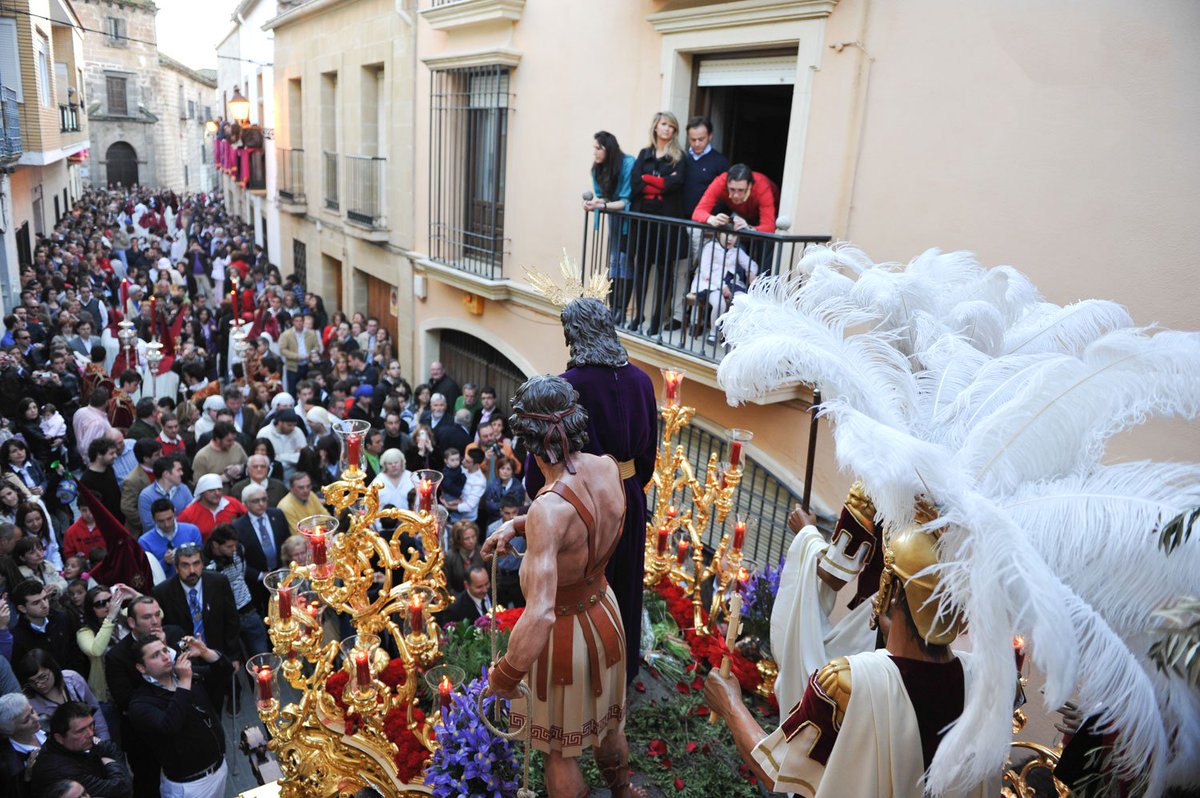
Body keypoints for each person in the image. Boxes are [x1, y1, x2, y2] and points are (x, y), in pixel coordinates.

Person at [704, 523, 992, 797]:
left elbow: (774, 770)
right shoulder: (982, 682)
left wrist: (730, 704)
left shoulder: (848, 683)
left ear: (890, 590)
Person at [483, 374, 632, 797]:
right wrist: (519, 523)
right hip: (606, 613)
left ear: (529, 441)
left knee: (557, 751)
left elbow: (541, 613)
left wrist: (503, 677)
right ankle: (622, 792)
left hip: (565, 639)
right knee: (609, 724)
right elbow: (579, 519)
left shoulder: (547, 511)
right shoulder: (607, 465)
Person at [522, 295, 658, 685]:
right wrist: (628, 482)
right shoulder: (643, 381)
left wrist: (543, 494)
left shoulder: (566, 387)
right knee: (626, 584)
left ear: (575, 334)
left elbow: (546, 450)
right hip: (630, 495)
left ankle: (582, 676)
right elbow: (648, 458)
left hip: (577, 503)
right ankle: (621, 669)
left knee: (584, 590)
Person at [127, 635, 232, 798]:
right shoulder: (140, 704)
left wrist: (205, 652)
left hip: (218, 768)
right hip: (189, 787)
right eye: (155, 655)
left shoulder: (184, 676)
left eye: (164, 650)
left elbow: (226, 670)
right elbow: (170, 725)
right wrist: (185, 681)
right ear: (141, 667)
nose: (165, 656)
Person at [629, 111, 690, 335]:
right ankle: (638, 316)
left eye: (671, 126)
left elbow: (675, 183)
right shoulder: (644, 153)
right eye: (664, 125)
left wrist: (650, 180)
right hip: (644, 220)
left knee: (664, 269)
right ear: (656, 127)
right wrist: (660, 182)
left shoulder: (679, 156)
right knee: (642, 268)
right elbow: (635, 182)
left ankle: (656, 319)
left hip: (666, 222)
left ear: (674, 131)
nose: (667, 129)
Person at [152, 543, 240, 667]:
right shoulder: (162, 592)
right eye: (185, 565)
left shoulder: (219, 582)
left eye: (196, 564)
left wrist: (233, 656)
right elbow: (166, 630)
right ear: (176, 568)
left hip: (218, 655)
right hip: (186, 661)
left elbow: (232, 620)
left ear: (202, 564)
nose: (192, 571)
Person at [29, 701, 131, 798]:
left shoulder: (74, 744)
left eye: (91, 725)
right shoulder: (59, 770)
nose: (90, 734)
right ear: (60, 738)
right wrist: (110, 764)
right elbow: (120, 789)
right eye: (81, 731)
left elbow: (111, 748)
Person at [585, 130, 636, 323]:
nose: (595, 152)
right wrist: (595, 203)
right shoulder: (598, 169)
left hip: (629, 220)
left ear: (609, 149)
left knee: (624, 261)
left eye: (599, 148)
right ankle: (614, 307)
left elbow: (625, 200)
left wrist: (602, 205)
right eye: (595, 148)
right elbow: (604, 196)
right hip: (615, 218)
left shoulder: (627, 163)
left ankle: (622, 310)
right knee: (614, 261)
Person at [203, 524, 269, 661]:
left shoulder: (239, 550)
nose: (233, 550)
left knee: (261, 655)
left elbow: (242, 572)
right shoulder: (205, 564)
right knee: (234, 661)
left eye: (234, 545)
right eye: (228, 547)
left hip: (248, 610)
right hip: (226, 618)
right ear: (216, 545)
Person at [14, 649, 110, 741]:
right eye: (32, 682)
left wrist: (105, 742)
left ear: (53, 668)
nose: (39, 685)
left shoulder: (73, 680)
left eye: (43, 677)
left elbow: (95, 712)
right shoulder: (29, 703)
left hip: (93, 739)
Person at [687, 229, 760, 342]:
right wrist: (722, 286)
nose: (730, 238)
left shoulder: (736, 251)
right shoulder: (710, 247)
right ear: (719, 234)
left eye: (734, 235)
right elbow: (705, 270)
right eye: (726, 234)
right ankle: (713, 332)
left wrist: (750, 272)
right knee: (718, 303)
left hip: (730, 282)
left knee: (742, 301)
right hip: (710, 283)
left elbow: (751, 263)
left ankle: (730, 332)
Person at [10, 580, 88, 676]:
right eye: (36, 603)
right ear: (22, 608)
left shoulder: (63, 618)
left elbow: (76, 652)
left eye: (45, 598)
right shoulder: (17, 638)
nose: (44, 605)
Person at [232, 483, 289, 615]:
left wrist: (286, 566)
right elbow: (238, 562)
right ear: (245, 504)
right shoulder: (238, 527)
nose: (261, 503)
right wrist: (259, 575)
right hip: (255, 581)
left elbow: (287, 541)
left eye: (264, 499)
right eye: (256, 501)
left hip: (281, 575)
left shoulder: (277, 515)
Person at [137, 498, 202, 581]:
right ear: (153, 518)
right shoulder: (144, 541)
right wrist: (164, 562)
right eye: (161, 521)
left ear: (174, 512)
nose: (166, 524)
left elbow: (201, 560)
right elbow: (147, 572)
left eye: (169, 518)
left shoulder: (192, 531)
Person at [176, 473, 247, 542]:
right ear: (202, 492)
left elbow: (249, 518)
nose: (217, 493)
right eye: (211, 490)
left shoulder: (232, 503)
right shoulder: (189, 513)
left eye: (219, 489)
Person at [0, 693, 45, 796]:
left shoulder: (49, 725)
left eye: (32, 711)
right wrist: (27, 776)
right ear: (10, 730)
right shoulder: (8, 766)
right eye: (26, 720)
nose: (36, 718)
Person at [136, 456, 193, 533]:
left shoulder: (183, 489)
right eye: (178, 470)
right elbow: (149, 525)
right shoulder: (146, 496)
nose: (182, 473)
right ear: (166, 474)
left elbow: (193, 514)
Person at [119, 439, 162, 535]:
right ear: (146, 458)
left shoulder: (161, 469)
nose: (161, 456)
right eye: (157, 455)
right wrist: (148, 522)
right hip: (143, 532)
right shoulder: (132, 480)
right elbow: (127, 507)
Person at [188, 421, 247, 487]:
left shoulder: (236, 447)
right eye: (229, 441)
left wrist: (239, 468)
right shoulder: (202, 457)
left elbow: (248, 465)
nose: (233, 443)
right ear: (217, 439)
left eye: (234, 439)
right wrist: (221, 478)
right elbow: (198, 483)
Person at [80, 438, 123, 525]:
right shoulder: (86, 480)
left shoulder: (109, 468)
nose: (115, 456)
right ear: (99, 455)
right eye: (111, 453)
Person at [278, 310, 318, 395]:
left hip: (307, 364)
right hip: (293, 366)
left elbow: (316, 346)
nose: (299, 323)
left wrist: (311, 354)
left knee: (309, 388)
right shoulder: (286, 335)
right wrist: (296, 356)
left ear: (303, 322)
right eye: (296, 321)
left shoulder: (311, 333)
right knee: (292, 389)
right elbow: (282, 350)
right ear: (293, 322)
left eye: (301, 321)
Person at [276, 471, 327, 535]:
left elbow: (327, 518)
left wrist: (310, 527)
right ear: (291, 489)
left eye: (308, 486)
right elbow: (299, 534)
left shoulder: (311, 494)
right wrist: (318, 525)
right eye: (301, 487)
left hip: (321, 535)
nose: (306, 490)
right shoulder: (285, 506)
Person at [442, 520, 484, 595]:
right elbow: (446, 584)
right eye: (466, 538)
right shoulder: (449, 557)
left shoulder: (483, 553)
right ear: (458, 540)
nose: (471, 541)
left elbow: (495, 578)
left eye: (473, 536)